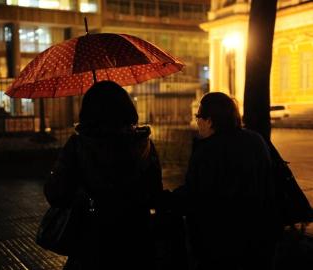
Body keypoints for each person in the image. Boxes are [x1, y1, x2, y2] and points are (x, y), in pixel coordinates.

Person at [43, 81, 163, 270]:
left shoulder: (78, 146)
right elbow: (155, 194)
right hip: (136, 239)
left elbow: (56, 193)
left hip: (91, 240)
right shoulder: (143, 145)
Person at [171, 92, 280, 270]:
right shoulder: (256, 140)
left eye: (199, 116)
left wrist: (166, 199)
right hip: (260, 236)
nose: (197, 121)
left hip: (220, 242)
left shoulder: (208, 151)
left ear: (210, 120)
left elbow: (196, 194)